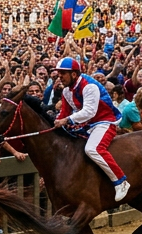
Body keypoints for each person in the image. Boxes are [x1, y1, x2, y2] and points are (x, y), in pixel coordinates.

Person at [53, 57, 130, 201]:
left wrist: (67, 120)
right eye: (58, 73)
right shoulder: (66, 92)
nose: (60, 76)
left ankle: (121, 181)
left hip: (105, 121)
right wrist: (56, 121)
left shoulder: (89, 86)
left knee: (92, 149)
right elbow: (64, 112)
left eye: (63, 73)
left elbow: (89, 111)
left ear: (74, 74)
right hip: (86, 124)